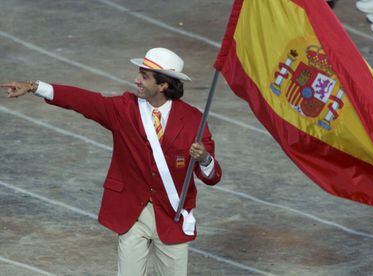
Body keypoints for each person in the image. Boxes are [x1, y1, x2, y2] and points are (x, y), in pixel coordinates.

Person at [0, 47, 222, 276]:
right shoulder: (124, 109)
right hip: (132, 214)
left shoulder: (194, 119)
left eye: (144, 77)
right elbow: (85, 101)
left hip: (171, 216)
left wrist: (204, 158)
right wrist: (34, 87)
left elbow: (213, 176)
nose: (136, 80)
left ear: (163, 85)